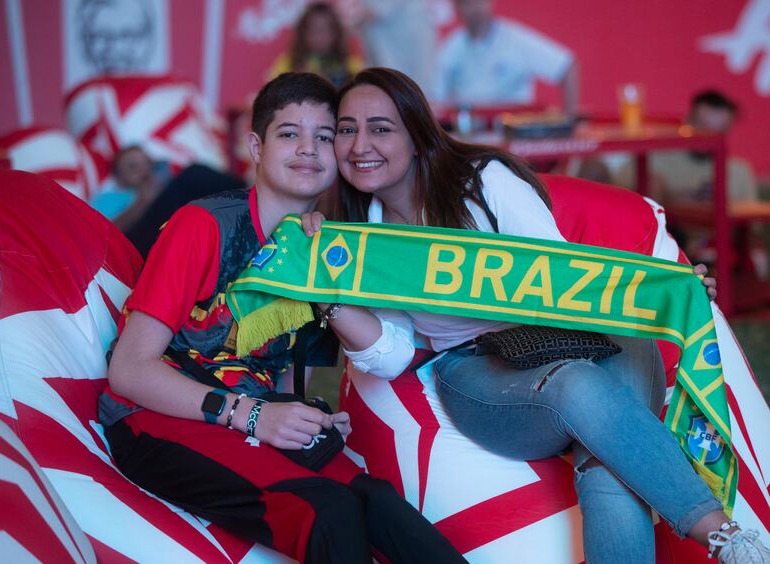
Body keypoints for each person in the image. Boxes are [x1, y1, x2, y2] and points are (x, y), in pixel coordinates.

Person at [303, 67, 770, 563]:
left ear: (417, 135)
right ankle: (728, 539)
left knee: (610, 462)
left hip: (575, 335)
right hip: (477, 370)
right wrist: (326, 288)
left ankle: (736, 546)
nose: (360, 145)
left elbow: (563, 276)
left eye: (380, 128)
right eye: (347, 130)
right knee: (578, 387)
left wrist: (670, 288)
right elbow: (393, 355)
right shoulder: (359, 240)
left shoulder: (483, 182)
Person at [101, 72, 466, 564]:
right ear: (256, 146)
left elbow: (309, 376)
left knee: (382, 507)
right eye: (289, 134)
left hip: (252, 415)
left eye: (323, 136)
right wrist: (252, 415)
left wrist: (312, 411)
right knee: (327, 509)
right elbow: (129, 370)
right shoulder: (203, 224)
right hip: (163, 415)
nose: (308, 150)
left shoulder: (324, 248)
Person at [615, 90, 767, 278]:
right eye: (702, 127)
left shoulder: (738, 170)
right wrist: (672, 201)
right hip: (669, 252)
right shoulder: (657, 157)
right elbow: (621, 196)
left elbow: (752, 233)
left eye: (718, 132)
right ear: (688, 121)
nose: (708, 137)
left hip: (723, 257)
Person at [433, 0, 578, 115]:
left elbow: (567, 67)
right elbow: (435, 101)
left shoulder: (515, 39)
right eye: (468, 2)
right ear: (456, 7)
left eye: (480, 1)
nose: (476, 8)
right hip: (469, 137)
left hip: (515, 133)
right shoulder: (450, 48)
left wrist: (570, 125)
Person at [269, 2, 363, 88]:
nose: (319, 35)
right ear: (303, 32)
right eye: (313, 29)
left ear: (336, 33)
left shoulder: (351, 66)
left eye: (325, 30)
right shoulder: (287, 65)